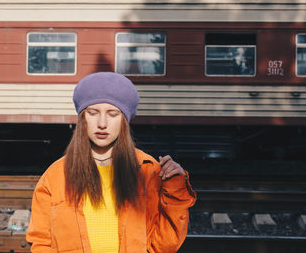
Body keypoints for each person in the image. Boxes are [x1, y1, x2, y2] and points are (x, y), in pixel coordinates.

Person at [26, 72, 196, 253]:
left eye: (113, 114)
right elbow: (41, 241)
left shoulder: (147, 169)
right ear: (82, 118)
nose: (102, 123)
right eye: (93, 113)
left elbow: (164, 246)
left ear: (125, 120)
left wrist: (175, 188)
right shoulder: (56, 175)